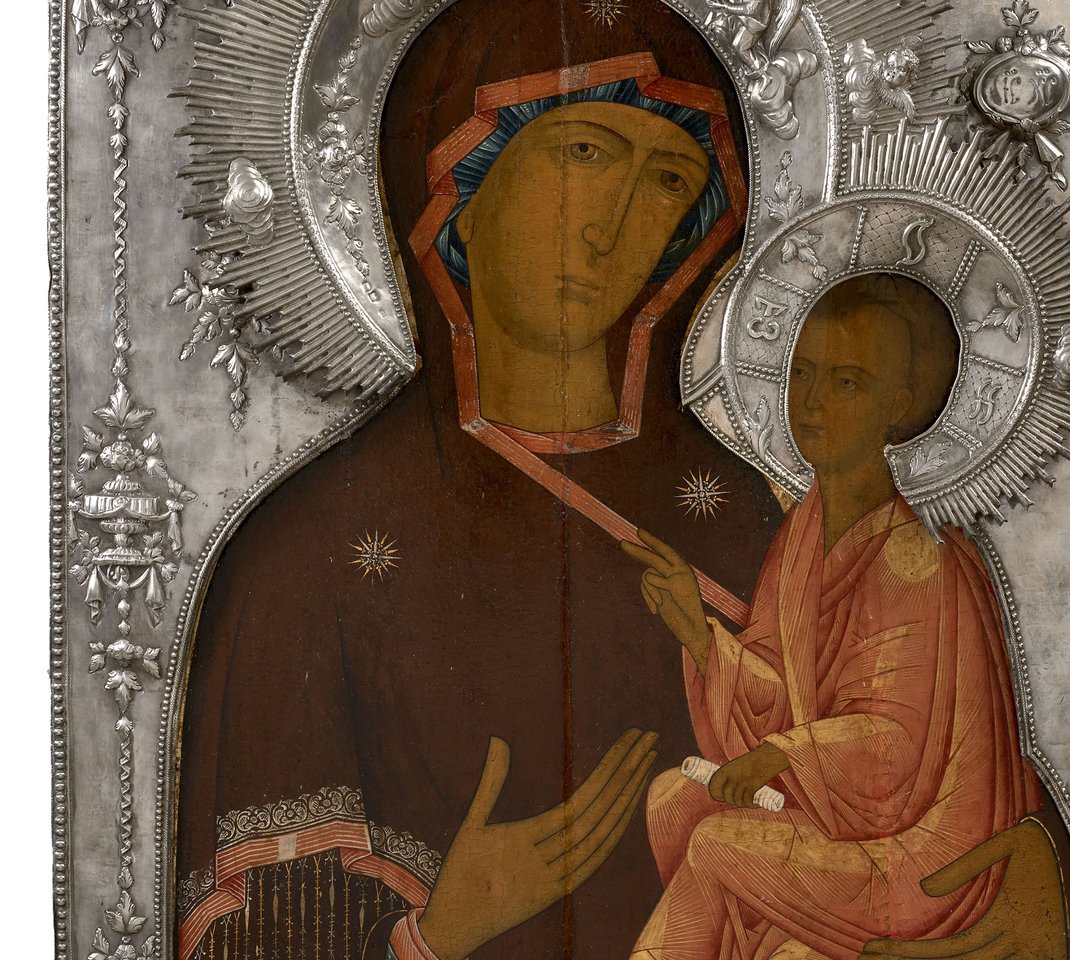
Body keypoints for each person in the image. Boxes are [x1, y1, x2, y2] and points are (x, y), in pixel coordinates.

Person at [174, 5, 784, 960]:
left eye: (669, 180)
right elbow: (246, 935)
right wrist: (438, 933)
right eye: (583, 153)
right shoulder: (309, 553)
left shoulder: (751, 525)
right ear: (457, 181)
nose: (612, 228)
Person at [623, 274, 1068, 959]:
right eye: (802, 374)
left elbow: (895, 748)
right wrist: (697, 632)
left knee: (715, 841)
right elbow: (780, 694)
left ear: (900, 405)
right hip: (835, 809)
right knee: (673, 801)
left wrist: (782, 754)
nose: (812, 402)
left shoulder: (913, 556)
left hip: (921, 847)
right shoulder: (804, 530)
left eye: (847, 383)